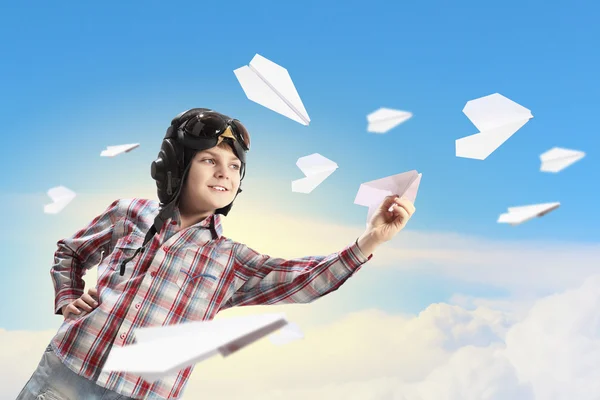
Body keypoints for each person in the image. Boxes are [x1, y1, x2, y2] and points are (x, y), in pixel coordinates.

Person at [17, 108, 416, 400]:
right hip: (67, 374)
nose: (225, 172)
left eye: (234, 166)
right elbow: (69, 252)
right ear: (175, 165)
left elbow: (304, 280)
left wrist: (371, 240)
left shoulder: (232, 261)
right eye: (209, 160)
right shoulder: (129, 213)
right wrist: (68, 298)